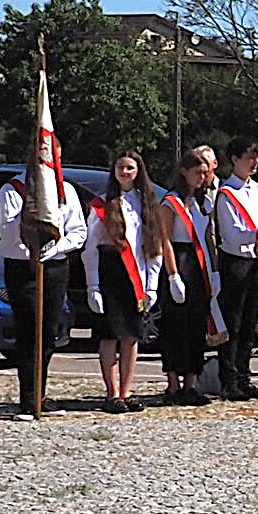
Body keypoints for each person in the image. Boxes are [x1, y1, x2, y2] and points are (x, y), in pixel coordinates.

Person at [0, 148, 86, 420]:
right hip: (23, 266)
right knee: (29, 330)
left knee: (48, 332)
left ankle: (40, 396)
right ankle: (28, 399)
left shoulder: (66, 191)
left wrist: (56, 247)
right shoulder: (13, 190)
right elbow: (7, 232)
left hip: (55, 266)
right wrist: (33, 222)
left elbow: (78, 231)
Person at [85, 150, 162, 413]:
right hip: (110, 272)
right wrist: (92, 285)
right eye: (121, 167)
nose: (125, 172)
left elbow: (153, 247)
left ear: (139, 171)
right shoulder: (102, 204)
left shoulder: (146, 203)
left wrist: (151, 285)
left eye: (130, 168)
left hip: (136, 274)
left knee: (131, 336)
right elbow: (90, 249)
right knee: (109, 336)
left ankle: (126, 392)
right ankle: (112, 393)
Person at [154, 149, 220, 407]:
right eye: (197, 173)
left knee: (196, 325)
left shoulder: (203, 202)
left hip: (199, 264)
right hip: (179, 261)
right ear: (184, 172)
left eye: (205, 173)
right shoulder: (171, 202)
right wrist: (173, 275)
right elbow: (166, 241)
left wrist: (214, 271)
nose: (201, 178)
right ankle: (173, 383)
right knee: (174, 326)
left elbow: (209, 238)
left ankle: (191, 383)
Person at [212, 139, 258, 400]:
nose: (254, 163)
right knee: (233, 324)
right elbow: (234, 235)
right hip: (236, 263)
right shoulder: (226, 194)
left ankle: (244, 376)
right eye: (249, 158)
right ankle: (229, 379)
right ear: (234, 160)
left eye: (257, 158)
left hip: (257, 262)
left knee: (250, 323)